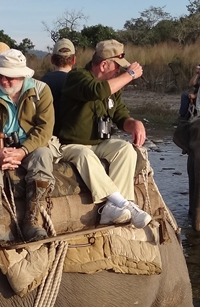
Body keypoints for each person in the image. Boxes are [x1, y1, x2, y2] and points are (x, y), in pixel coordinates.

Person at [58, 39, 152, 228]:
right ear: (104, 64)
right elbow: (95, 91)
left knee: (125, 149)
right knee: (85, 155)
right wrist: (130, 75)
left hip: (99, 143)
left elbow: (120, 114)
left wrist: (134, 124)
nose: (119, 71)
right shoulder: (77, 78)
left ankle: (111, 208)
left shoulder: (112, 86)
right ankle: (123, 203)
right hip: (70, 144)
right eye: (117, 67)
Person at [0, 49, 55, 246]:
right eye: (1, 76)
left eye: (11, 78)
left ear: (23, 75)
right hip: (0, 148)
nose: (5, 82)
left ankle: (31, 221)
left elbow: (44, 129)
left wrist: (23, 150)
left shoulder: (41, 91)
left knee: (43, 154)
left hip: (31, 147)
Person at [40, 38, 76, 135]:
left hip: (49, 135)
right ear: (74, 60)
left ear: (52, 59)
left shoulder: (43, 82)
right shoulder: (79, 82)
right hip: (72, 136)